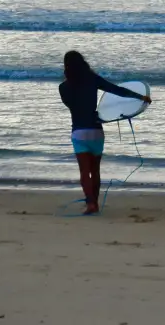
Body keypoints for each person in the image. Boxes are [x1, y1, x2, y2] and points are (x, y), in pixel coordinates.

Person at [59, 50, 151, 215]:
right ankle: (95, 203)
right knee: (95, 171)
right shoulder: (93, 79)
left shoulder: (63, 88)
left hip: (79, 132)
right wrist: (140, 97)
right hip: (96, 131)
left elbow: (73, 106)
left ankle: (90, 204)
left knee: (84, 172)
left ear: (66, 66)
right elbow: (116, 90)